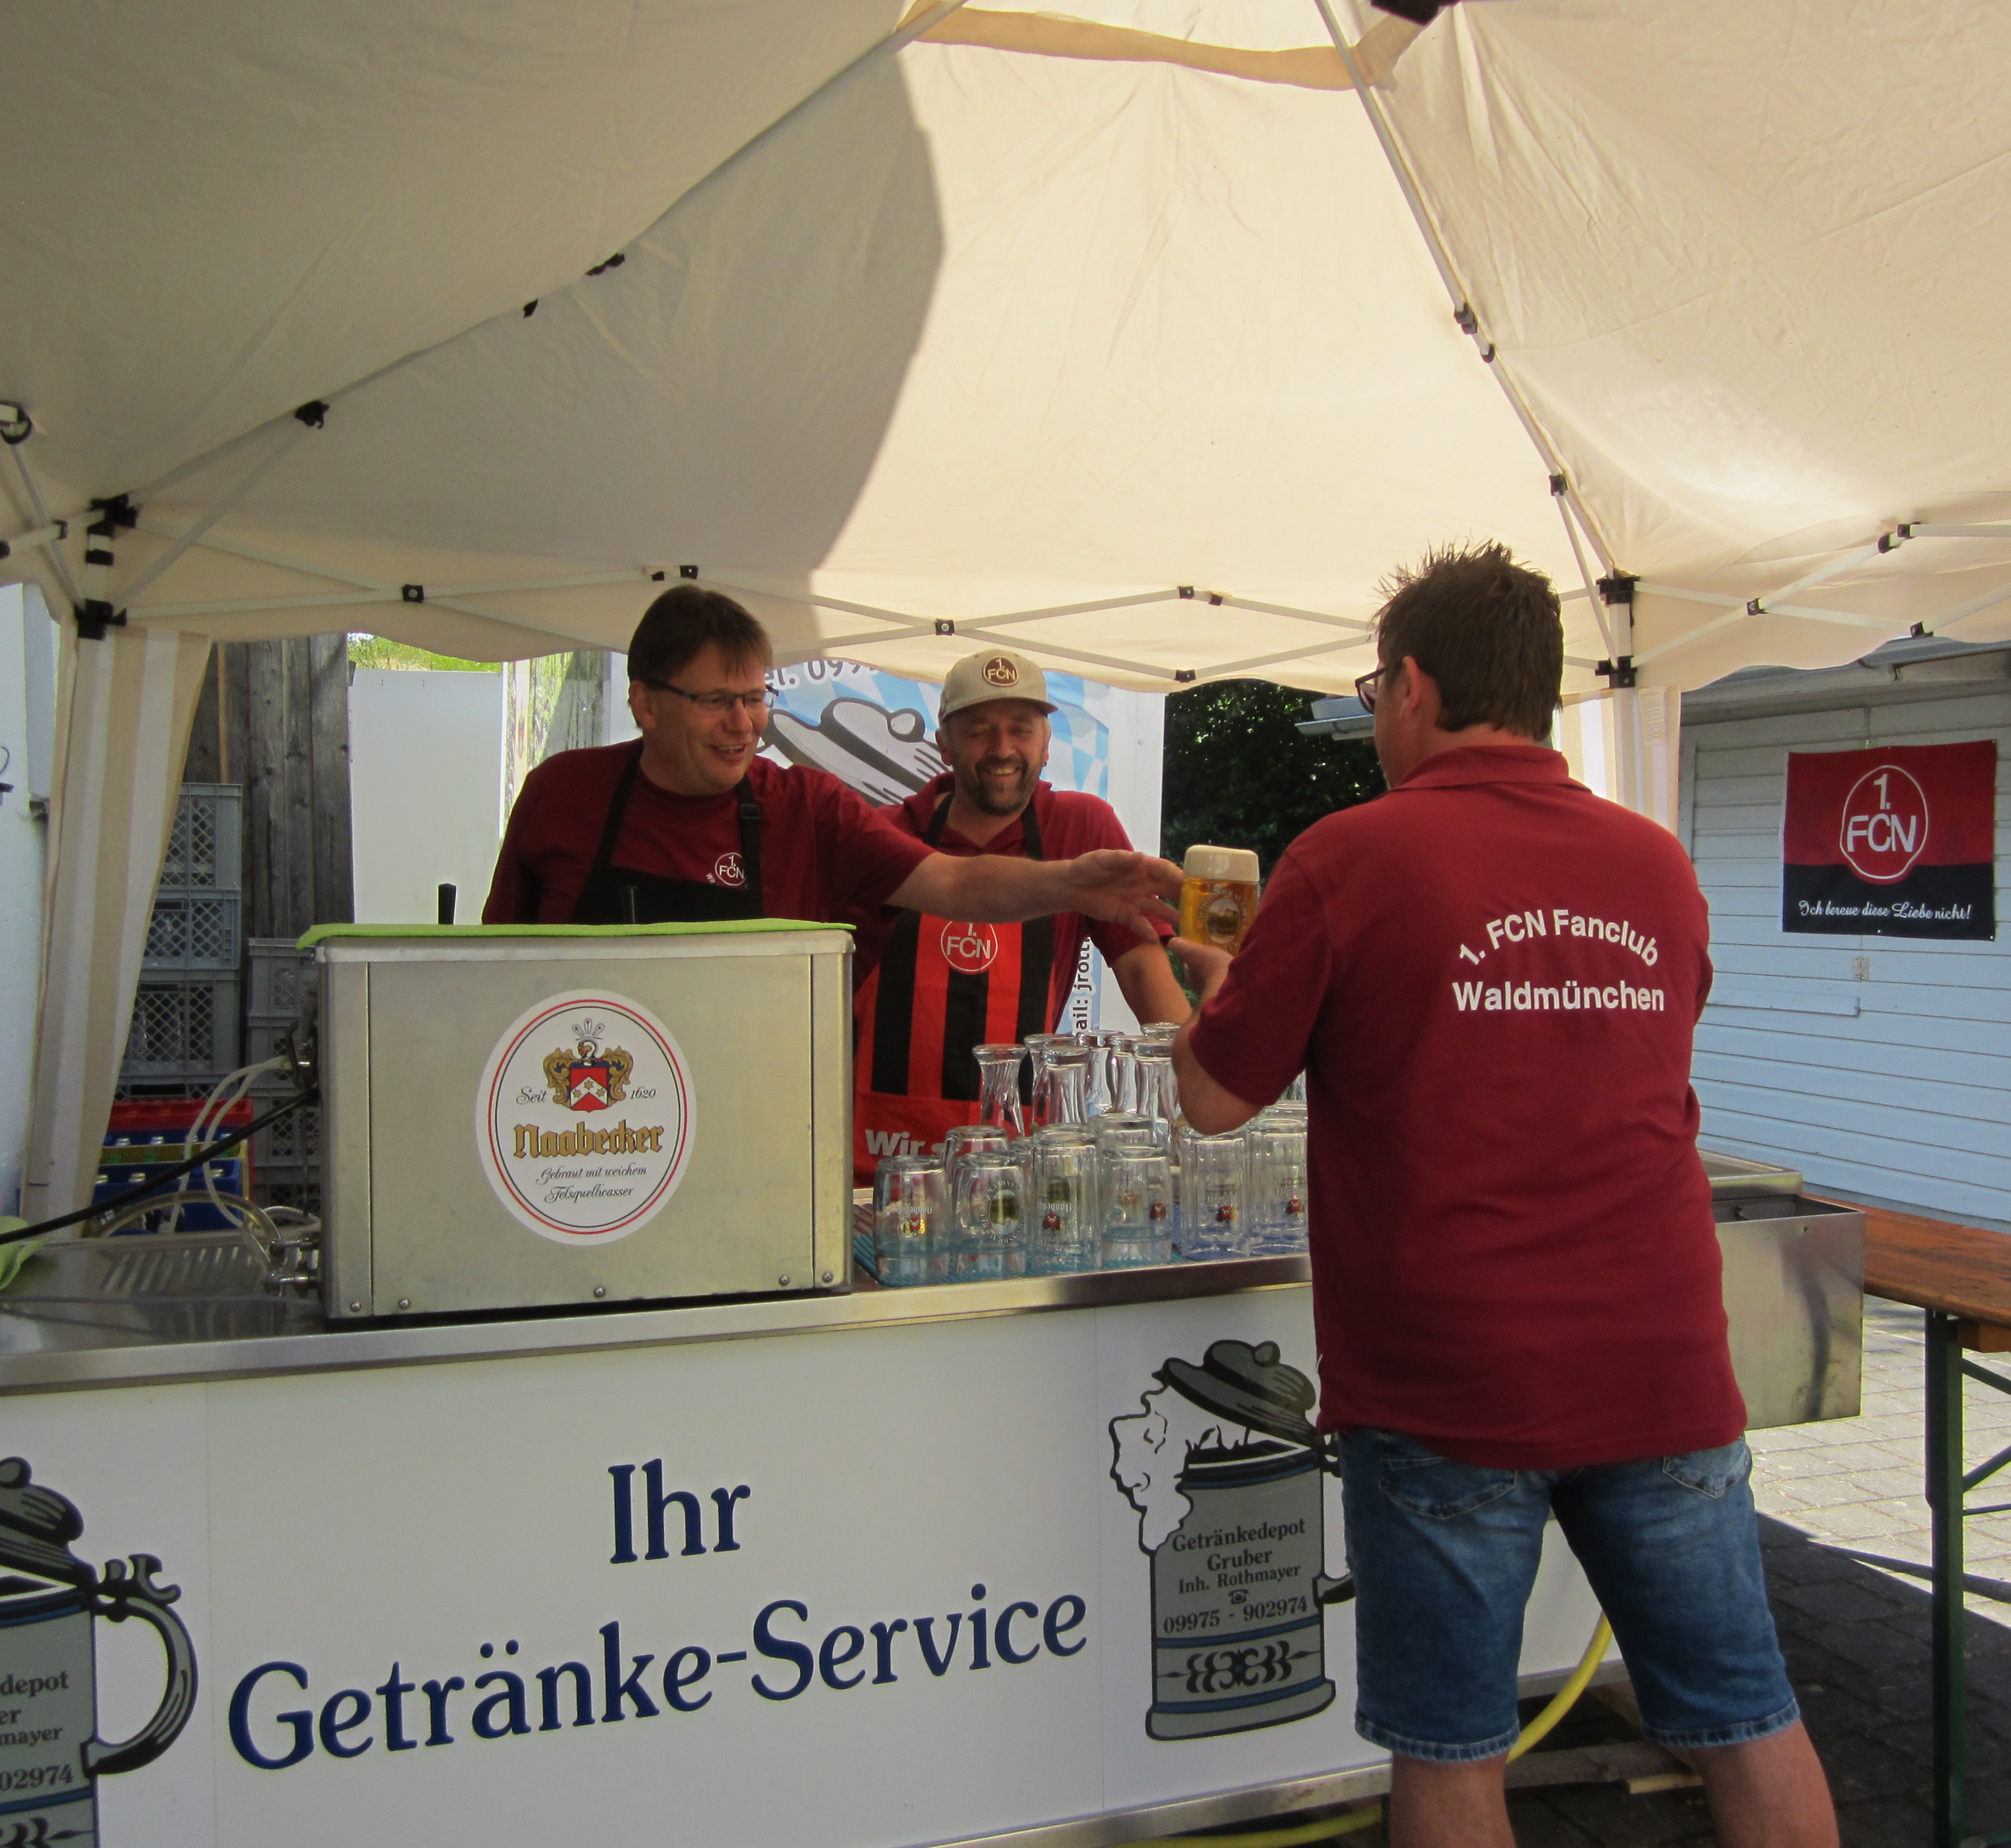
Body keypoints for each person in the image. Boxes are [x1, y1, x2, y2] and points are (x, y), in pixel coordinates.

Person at [1166, 543, 1836, 1848]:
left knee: (1452, 1752)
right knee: (1746, 1720)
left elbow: (1211, 1099)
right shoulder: (1655, 862)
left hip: (1448, 1382)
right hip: (1660, 1363)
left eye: (1374, 694)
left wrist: (1216, 990)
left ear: (1414, 685)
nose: (1376, 720)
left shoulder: (1349, 857)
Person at [484, 588, 1179, 953]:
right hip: (590, 1136)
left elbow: (955, 881)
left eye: (755, 698)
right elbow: (495, 968)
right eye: (717, 701)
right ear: (646, 703)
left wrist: (1068, 884)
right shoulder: (562, 793)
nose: (744, 724)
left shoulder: (806, 807)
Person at [850, 647, 1190, 1173]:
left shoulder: (1082, 828)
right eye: (979, 730)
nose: (1003, 748)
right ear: (944, 744)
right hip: (880, 1168)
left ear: (1047, 745)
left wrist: (1208, 1092)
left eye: (1021, 730)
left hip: (1019, 1166)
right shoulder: (887, 835)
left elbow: (1147, 976)